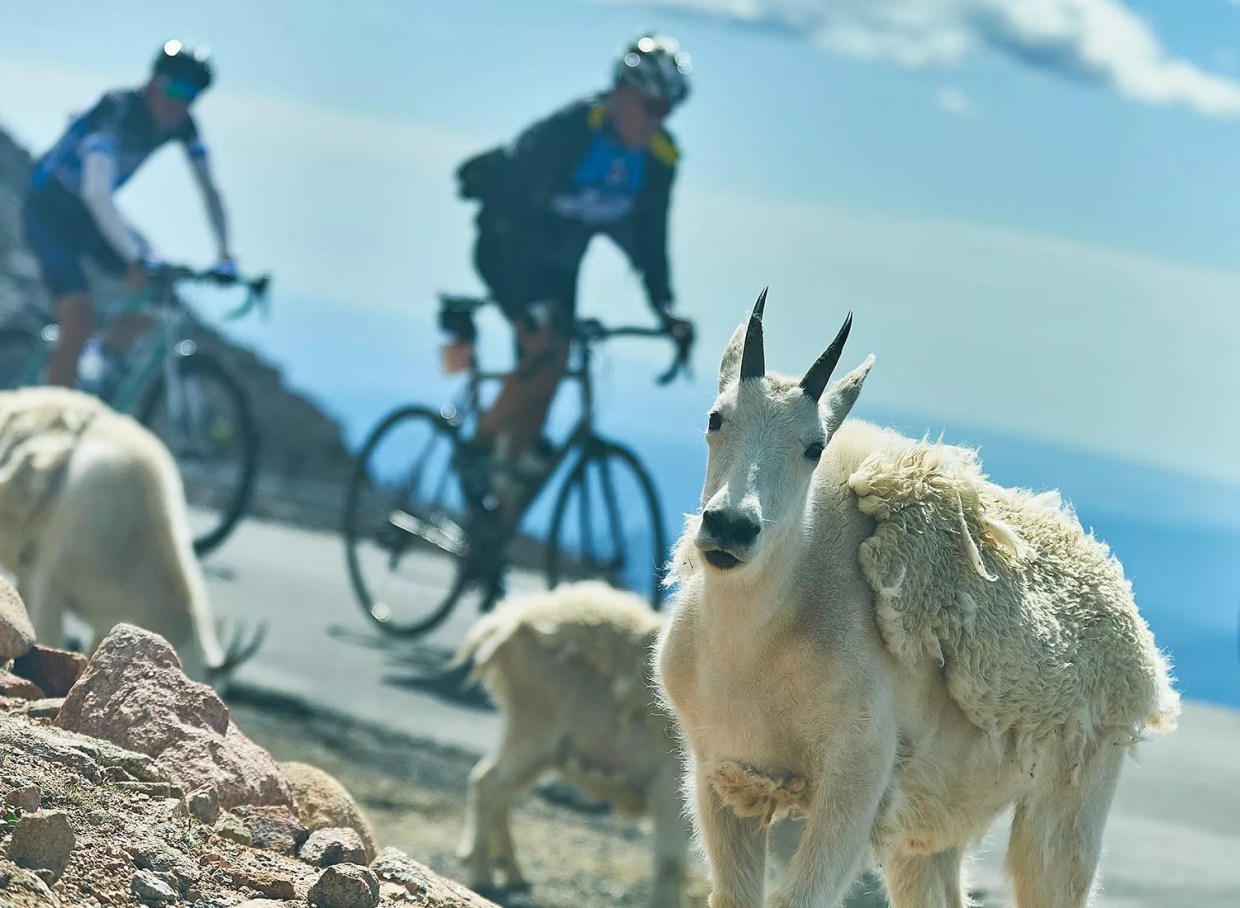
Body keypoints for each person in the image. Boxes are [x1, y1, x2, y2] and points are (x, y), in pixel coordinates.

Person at [453, 32, 695, 502]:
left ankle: (495, 519)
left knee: (549, 378)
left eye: (666, 110)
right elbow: (515, 210)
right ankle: (477, 450)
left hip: (560, 265)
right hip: (508, 251)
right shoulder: (572, 131)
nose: (657, 120)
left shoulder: (659, 160)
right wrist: (527, 310)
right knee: (545, 349)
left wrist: (665, 308)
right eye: (650, 106)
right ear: (621, 93)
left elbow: (651, 239)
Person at [22, 39, 235, 390]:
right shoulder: (115, 109)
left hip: (92, 217)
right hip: (50, 211)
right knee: (77, 316)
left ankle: (101, 357)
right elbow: (95, 191)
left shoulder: (183, 126)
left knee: (159, 295)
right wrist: (134, 256)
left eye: (192, 95)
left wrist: (226, 253)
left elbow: (210, 190)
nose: (179, 103)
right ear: (153, 83)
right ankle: (52, 419)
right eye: (175, 89)